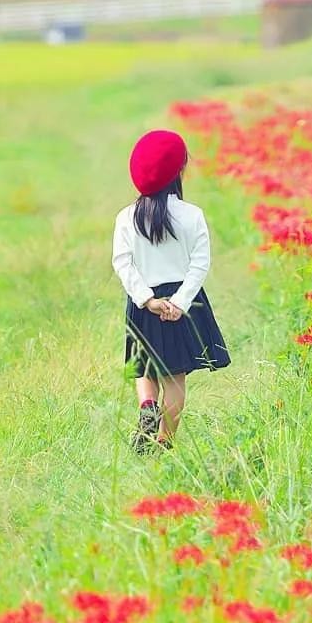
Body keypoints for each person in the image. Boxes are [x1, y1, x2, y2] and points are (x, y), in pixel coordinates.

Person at [112, 130, 230, 452]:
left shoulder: (126, 218)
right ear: (179, 171)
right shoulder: (192, 216)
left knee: (143, 365)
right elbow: (200, 264)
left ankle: (147, 406)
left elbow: (122, 263)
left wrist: (147, 300)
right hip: (183, 302)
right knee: (175, 378)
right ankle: (164, 442)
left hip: (143, 303)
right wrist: (179, 302)